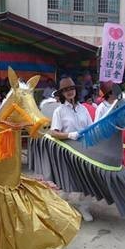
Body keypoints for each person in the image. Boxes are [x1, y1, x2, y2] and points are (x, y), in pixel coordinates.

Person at [50, 77, 94, 221]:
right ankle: (60, 208)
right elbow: (54, 133)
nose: (69, 92)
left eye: (71, 89)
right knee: (66, 184)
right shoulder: (59, 111)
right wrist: (70, 135)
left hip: (86, 150)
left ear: (76, 90)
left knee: (89, 181)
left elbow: (92, 127)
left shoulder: (83, 109)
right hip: (68, 150)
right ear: (61, 94)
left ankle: (84, 207)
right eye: (65, 90)